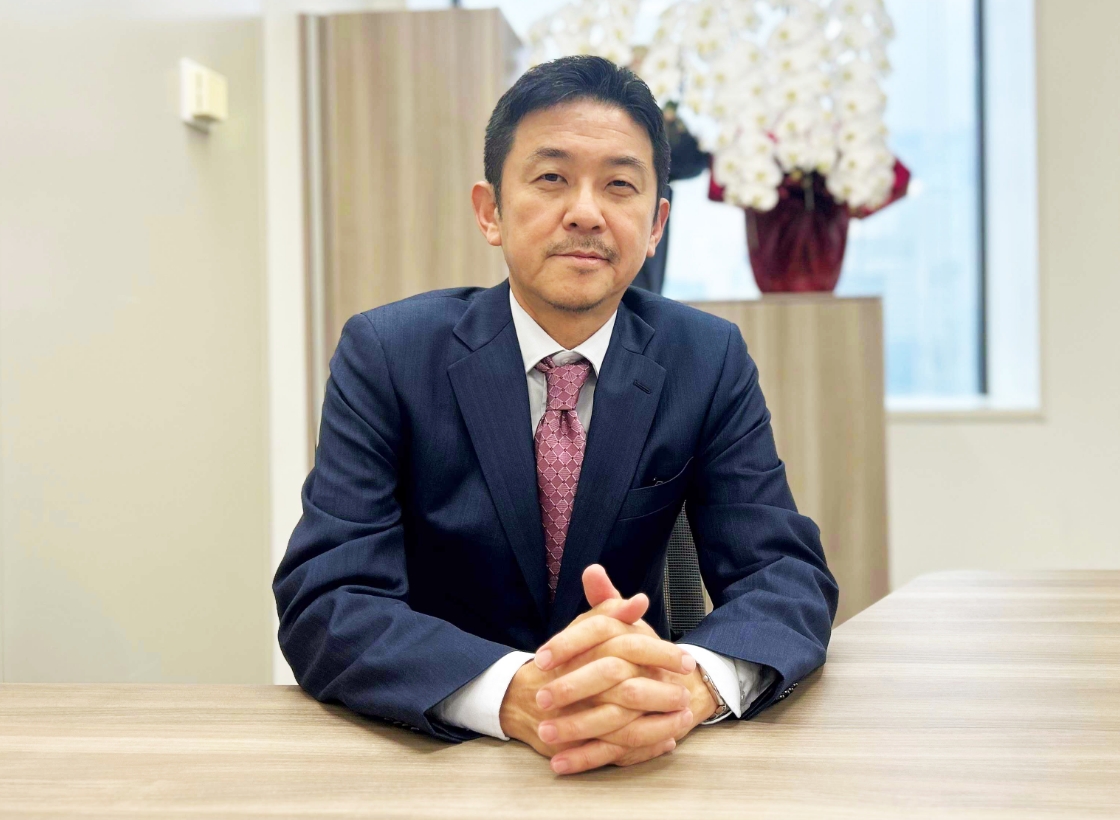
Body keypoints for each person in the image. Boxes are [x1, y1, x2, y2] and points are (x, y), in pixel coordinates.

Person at [273, 55, 838, 776]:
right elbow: (329, 598)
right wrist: (516, 694)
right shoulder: (388, 354)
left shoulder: (706, 358)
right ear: (489, 211)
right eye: (550, 178)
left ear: (656, 223)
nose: (586, 212)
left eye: (620, 185)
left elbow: (785, 577)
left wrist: (683, 687)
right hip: (436, 757)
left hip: (641, 761)